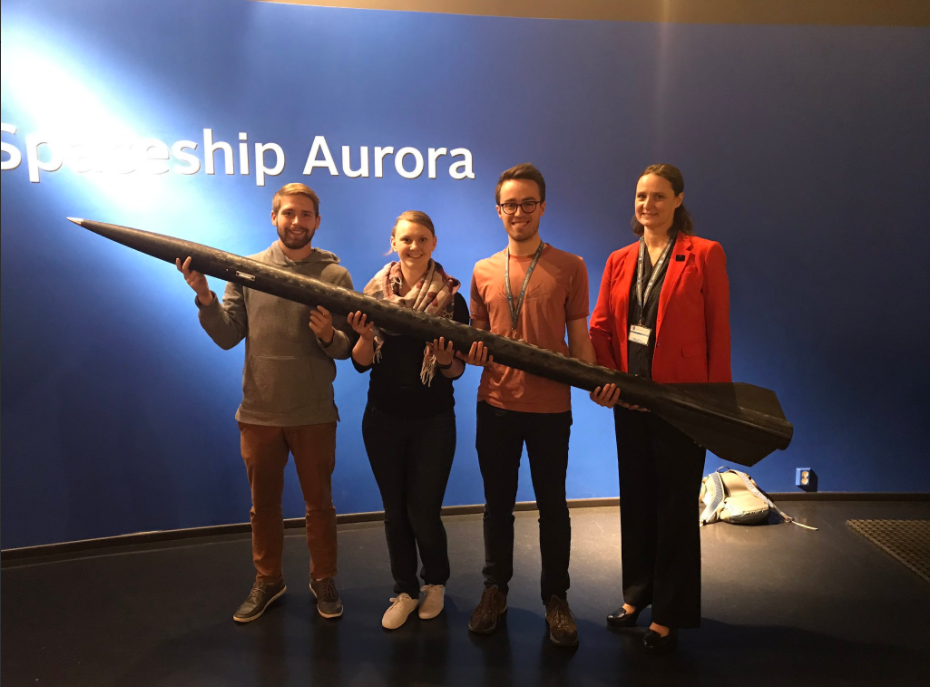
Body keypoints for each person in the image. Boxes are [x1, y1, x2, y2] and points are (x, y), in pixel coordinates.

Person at [176, 182, 355, 623]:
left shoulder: (336, 277)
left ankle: (323, 578)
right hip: (258, 413)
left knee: (320, 506)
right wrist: (204, 296)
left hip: (313, 412)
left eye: (306, 214)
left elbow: (349, 347)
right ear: (274, 218)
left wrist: (330, 336)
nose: (297, 222)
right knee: (264, 508)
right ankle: (268, 579)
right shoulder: (245, 270)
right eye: (289, 213)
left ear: (317, 220)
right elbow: (227, 335)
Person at [589, 163, 731, 652]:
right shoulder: (618, 259)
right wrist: (608, 381)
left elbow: (718, 332)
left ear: (678, 200)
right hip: (630, 401)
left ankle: (669, 613)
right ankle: (636, 597)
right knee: (638, 502)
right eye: (640, 196)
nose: (647, 204)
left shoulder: (704, 254)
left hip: (683, 403)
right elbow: (601, 328)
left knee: (674, 509)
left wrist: (712, 405)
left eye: (657, 196)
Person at [461, 163, 596, 647]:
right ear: (499, 211)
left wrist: (598, 383)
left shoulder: (571, 266)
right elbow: (476, 340)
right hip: (495, 404)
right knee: (497, 506)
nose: (519, 212)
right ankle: (494, 590)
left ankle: (555, 599)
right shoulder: (482, 270)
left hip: (550, 410)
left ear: (542, 206)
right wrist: (470, 356)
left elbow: (579, 340)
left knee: (553, 508)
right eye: (510, 204)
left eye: (528, 203)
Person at [346, 210, 469, 630]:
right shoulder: (372, 295)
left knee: (423, 510)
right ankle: (404, 589)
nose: (413, 246)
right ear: (393, 242)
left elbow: (457, 371)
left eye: (420, 239)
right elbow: (361, 363)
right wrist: (364, 337)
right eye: (405, 240)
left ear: (433, 242)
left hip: (433, 420)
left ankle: (435, 583)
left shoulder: (452, 299)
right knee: (394, 511)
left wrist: (448, 359)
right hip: (382, 420)